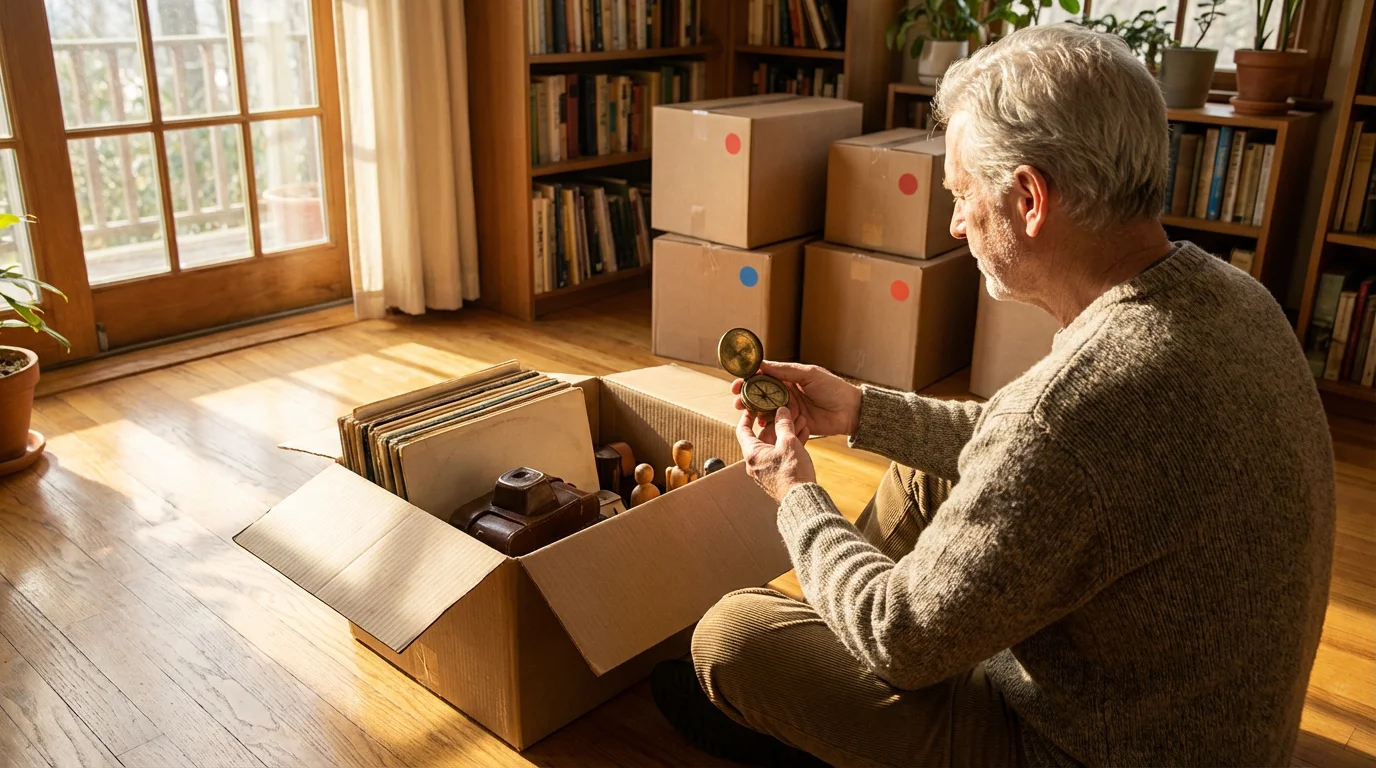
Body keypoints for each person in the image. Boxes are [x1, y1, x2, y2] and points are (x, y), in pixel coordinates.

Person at [651, 23, 1336, 767]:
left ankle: (808, 700)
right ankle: (829, 637)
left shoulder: (1076, 406)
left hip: (1089, 749)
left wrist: (794, 492)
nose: (954, 222)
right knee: (926, 468)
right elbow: (1026, 450)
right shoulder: (1234, 295)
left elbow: (902, 637)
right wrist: (860, 410)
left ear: (1030, 198)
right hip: (1205, 721)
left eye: (961, 193)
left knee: (729, 638)